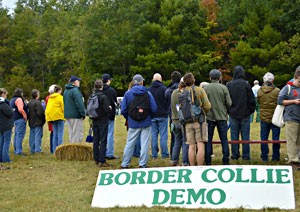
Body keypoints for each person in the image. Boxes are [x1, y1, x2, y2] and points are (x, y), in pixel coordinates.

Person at [121, 74, 157, 168]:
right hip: (146, 122)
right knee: (144, 143)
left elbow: (123, 110)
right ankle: (142, 164)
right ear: (142, 82)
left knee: (130, 143)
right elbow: (154, 108)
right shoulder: (147, 93)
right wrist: (149, 117)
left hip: (133, 122)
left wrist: (129, 118)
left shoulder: (128, 93)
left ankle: (125, 164)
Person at [179, 73, 211, 166]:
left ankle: (192, 167)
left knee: (191, 146)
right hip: (199, 121)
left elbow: (180, 107)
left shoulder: (181, 91)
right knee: (200, 144)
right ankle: (199, 167)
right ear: (193, 80)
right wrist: (202, 113)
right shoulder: (200, 90)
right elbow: (207, 105)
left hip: (187, 122)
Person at [227, 66, 255, 160]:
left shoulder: (229, 84)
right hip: (245, 113)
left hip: (233, 113)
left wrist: (229, 111)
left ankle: (235, 155)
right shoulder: (246, 84)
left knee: (234, 136)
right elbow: (251, 99)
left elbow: (227, 100)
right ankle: (245, 155)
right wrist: (250, 110)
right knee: (245, 135)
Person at [204, 69, 232, 165]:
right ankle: (225, 160)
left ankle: (208, 161)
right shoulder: (224, 88)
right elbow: (229, 103)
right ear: (220, 78)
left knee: (208, 140)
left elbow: (203, 103)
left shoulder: (206, 88)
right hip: (222, 117)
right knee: (224, 139)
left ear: (210, 78)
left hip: (209, 117)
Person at [277, 67, 300, 170]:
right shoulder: (287, 88)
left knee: (298, 141)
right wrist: (294, 101)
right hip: (291, 118)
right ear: (295, 78)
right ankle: (293, 161)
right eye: (299, 81)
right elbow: (280, 101)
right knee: (292, 140)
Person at [257, 72, 281, 162]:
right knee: (276, 138)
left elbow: (259, 102)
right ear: (273, 80)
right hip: (275, 117)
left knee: (263, 138)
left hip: (263, 117)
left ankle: (264, 156)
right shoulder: (277, 91)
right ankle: (275, 157)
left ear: (263, 80)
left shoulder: (259, 90)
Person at [90, 80, 112, 167]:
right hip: (102, 120)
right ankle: (102, 160)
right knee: (103, 140)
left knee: (95, 140)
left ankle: (96, 158)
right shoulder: (103, 96)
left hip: (94, 119)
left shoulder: (92, 96)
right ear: (101, 87)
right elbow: (107, 109)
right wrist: (109, 108)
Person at [148, 73, 169, 159]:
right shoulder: (164, 89)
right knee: (163, 135)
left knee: (154, 135)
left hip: (152, 115)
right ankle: (164, 154)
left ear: (153, 80)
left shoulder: (148, 90)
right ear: (161, 80)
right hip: (163, 115)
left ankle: (154, 154)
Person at [170, 78, 189, 166]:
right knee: (185, 142)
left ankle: (174, 160)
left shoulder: (174, 93)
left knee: (177, 142)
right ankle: (185, 162)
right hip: (183, 121)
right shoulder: (185, 94)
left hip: (174, 121)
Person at [63, 76, 86, 143]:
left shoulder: (65, 91)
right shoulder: (75, 90)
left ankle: (72, 149)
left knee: (72, 134)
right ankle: (76, 150)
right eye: (78, 81)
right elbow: (79, 103)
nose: (79, 82)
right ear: (74, 82)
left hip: (68, 115)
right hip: (75, 115)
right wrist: (83, 113)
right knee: (77, 134)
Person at [102, 74, 118, 160]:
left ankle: (102, 151)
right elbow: (114, 101)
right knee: (110, 134)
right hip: (110, 115)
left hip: (101, 115)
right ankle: (109, 153)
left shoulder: (98, 90)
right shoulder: (111, 90)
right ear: (108, 81)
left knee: (102, 134)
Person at [165, 71, 181, 158]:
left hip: (172, 116)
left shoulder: (168, 91)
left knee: (174, 137)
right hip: (182, 116)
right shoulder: (182, 90)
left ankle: (173, 155)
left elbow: (167, 103)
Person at [46, 86, 65, 153]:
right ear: (59, 91)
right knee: (60, 134)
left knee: (55, 134)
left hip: (52, 118)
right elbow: (63, 108)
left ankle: (54, 150)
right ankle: (60, 150)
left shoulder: (50, 98)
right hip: (59, 117)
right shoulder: (60, 97)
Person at [10, 88, 28, 155]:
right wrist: (25, 115)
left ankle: (16, 150)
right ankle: (18, 151)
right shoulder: (19, 99)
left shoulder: (12, 100)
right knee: (20, 135)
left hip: (14, 118)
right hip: (20, 119)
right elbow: (20, 109)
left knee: (16, 135)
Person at [28, 89, 45, 154]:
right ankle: (37, 149)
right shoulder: (37, 102)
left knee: (32, 135)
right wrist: (43, 119)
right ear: (37, 95)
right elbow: (40, 112)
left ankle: (32, 149)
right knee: (38, 136)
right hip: (37, 121)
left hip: (31, 121)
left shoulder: (30, 102)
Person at [0, 88, 14, 163]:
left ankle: (1, 158)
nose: (6, 96)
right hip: (6, 125)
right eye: (5, 94)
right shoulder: (3, 104)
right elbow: (10, 113)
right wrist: (11, 110)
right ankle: (5, 159)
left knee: (1, 142)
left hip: (1, 125)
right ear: (2, 94)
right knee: (6, 142)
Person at [45, 84, 56, 153]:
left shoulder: (48, 97)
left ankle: (52, 148)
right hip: (53, 116)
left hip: (50, 116)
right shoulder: (51, 98)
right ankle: (53, 148)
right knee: (54, 132)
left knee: (53, 132)